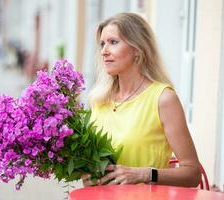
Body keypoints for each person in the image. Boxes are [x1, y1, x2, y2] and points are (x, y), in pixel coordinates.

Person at [82, 13, 201, 187]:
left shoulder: (163, 99)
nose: (104, 51)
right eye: (102, 44)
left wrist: (145, 173)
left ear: (137, 49)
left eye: (113, 42)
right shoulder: (99, 100)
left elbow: (192, 173)